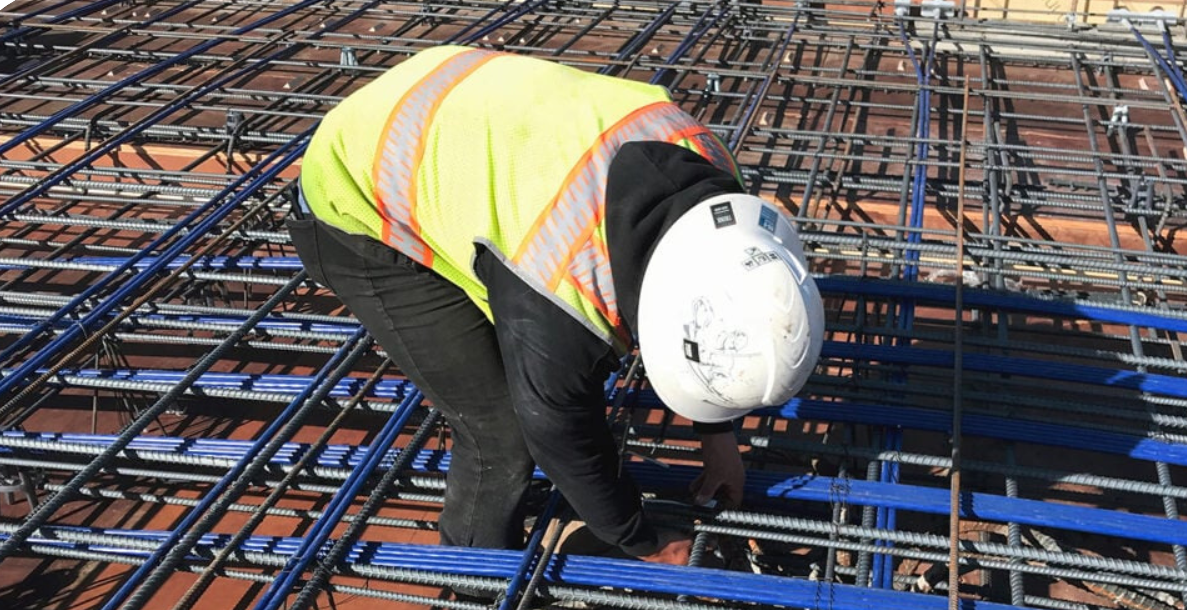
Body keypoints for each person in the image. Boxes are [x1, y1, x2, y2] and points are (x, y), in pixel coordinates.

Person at [288, 45, 823, 566]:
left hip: (453, 93)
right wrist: (641, 540)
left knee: (531, 363)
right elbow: (554, 426)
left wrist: (717, 436)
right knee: (500, 427)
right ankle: (476, 583)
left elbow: (715, 320)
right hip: (355, 184)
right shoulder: (563, 275)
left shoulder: (717, 185)